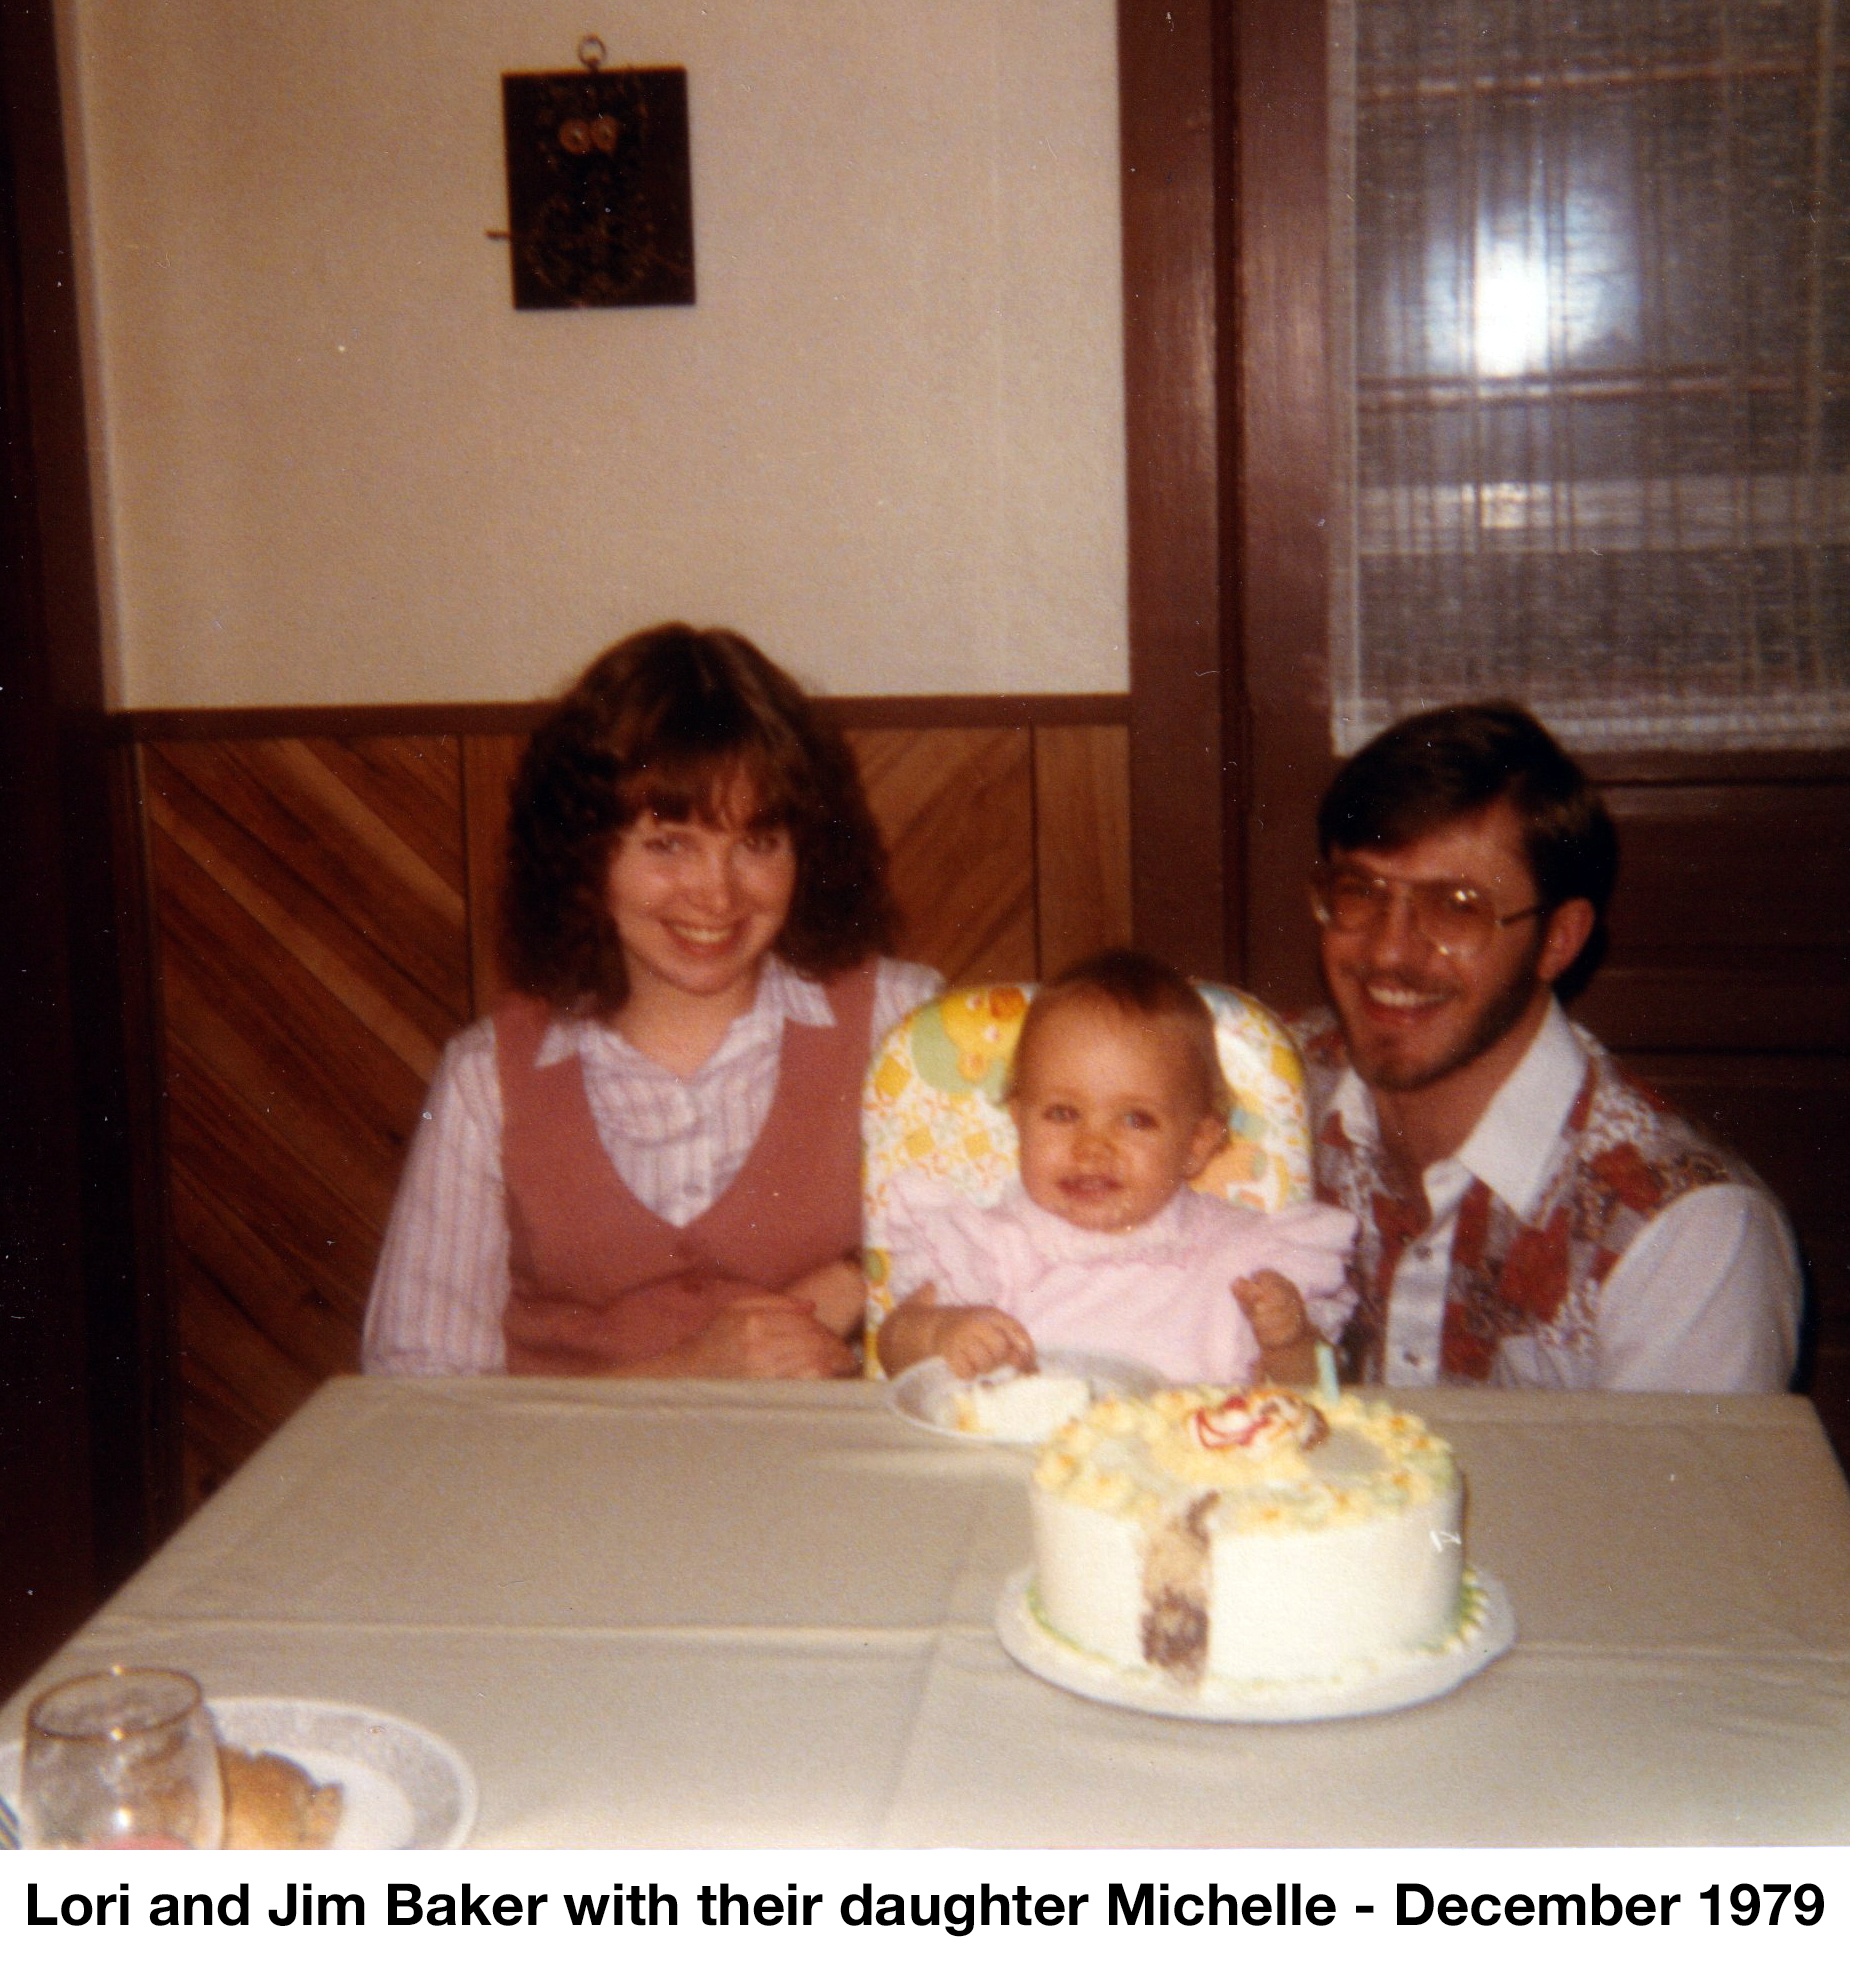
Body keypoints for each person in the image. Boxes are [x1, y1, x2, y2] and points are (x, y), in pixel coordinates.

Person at [362, 623, 940, 1377]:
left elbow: (1029, 1262)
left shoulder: (904, 1027)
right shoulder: (486, 1077)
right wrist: (686, 1375)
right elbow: (417, 1384)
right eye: (668, 844)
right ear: (585, 854)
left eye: (757, 843)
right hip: (569, 1488)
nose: (717, 892)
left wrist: (864, 1279)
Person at [1295, 700, 1801, 1392]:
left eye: (1456, 907)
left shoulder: (1683, 1237)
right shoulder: (1262, 1092)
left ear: (1558, 940)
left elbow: (1685, 1504)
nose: (1388, 951)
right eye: (1359, 892)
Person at [874, 949, 1356, 1386]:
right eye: (1063, 1113)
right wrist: (940, 1333)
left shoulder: (1245, 1259)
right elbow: (895, 1345)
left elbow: (1317, 1395)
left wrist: (1288, 1342)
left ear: (1196, 1144)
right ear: (1019, 1120)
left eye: (1135, 1119)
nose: (1092, 1148)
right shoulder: (993, 1247)